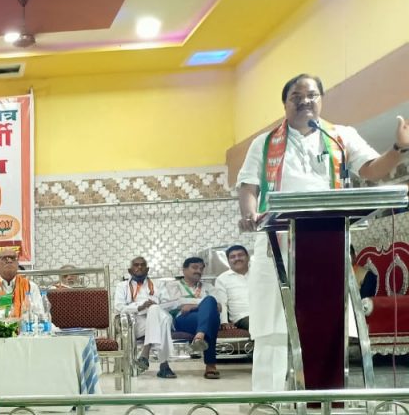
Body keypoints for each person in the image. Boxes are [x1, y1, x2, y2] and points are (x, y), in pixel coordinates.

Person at [236, 73, 409, 392]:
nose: (305, 101)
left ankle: (325, 401)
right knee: (271, 326)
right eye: (296, 96)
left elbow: (372, 169)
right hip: (276, 242)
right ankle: (268, 401)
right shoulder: (264, 143)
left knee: (326, 321)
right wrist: (249, 214)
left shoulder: (340, 136)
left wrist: (398, 148)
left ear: (321, 100)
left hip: (326, 242)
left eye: (312, 95)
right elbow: (248, 187)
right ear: (285, 103)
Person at [113, 256, 174, 378]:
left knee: (155, 311)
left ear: (147, 269)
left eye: (142, 265)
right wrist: (140, 307)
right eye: (136, 265)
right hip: (135, 323)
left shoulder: (158, 284)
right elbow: (119, 307)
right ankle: (164, 365)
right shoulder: (122, 286)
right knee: (161, 322)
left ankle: (145, 354)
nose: (139, 267)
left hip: (158, 317)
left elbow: (168, 304)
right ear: (130, 270)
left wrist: (155, 306)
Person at [162, 257, 222, 380]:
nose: (198, 271)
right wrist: (199, 304)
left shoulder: (208, 287)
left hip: (203, 319)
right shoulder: (172, 286)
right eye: (195, 267)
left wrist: (193, 306)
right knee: (210, 314)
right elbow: (168, 305)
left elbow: (219, 307)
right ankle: (210, 365)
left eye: (201, 268)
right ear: (184, 270)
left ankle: (199, 336)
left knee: (210, 302)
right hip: (182, 319)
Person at [0, 249, 42, 330]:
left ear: (17, 264)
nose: (9, 261)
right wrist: (1, 330)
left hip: (26, 332)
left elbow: (40, 314)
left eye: (13, 258)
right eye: (4, 258)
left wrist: (28, 328)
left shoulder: (30, 287)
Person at [216, 245, 251, 331]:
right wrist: (224, 322)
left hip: (265, 313)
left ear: (248, 257)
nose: (237, 258)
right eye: (232, 257)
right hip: (242, 317)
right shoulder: (222, 279)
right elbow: (222, 303)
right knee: (258, 324)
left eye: (240, 255)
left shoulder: (258, 274)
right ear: (228, 261)